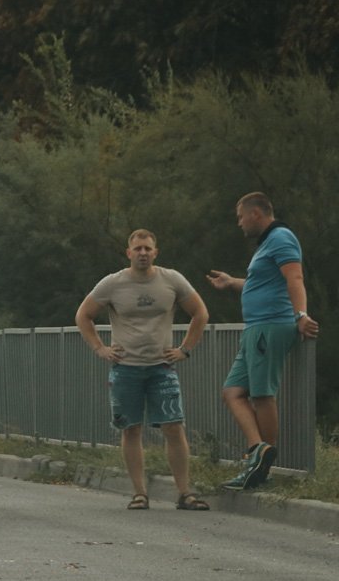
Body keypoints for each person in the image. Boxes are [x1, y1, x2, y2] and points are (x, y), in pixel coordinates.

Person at [76, 229, 210, 510]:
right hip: (126, 368)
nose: (143, 253)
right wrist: (99, 348)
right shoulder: (113, 283)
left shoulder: (171, 280)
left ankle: (185, 493)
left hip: (162, 367)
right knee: (131, 429)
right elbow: (83, 315)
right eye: (137, 249)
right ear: (129, 253)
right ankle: (139, 493)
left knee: (174, 426)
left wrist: (185, 349)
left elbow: (200, 312)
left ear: (155, 252)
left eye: (148, 248)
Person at [207, 192, 320, 490]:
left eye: (240, 217)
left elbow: (295, 278)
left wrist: (301, 315)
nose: (240, 223)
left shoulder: (281, 237)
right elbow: (263, 282)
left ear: (255, 214)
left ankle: (262, 468)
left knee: (261, 396)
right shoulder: (267, 245)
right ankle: (259, 450)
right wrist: (232, 282)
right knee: (232, 392)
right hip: (255, 328)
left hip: (270, 325)